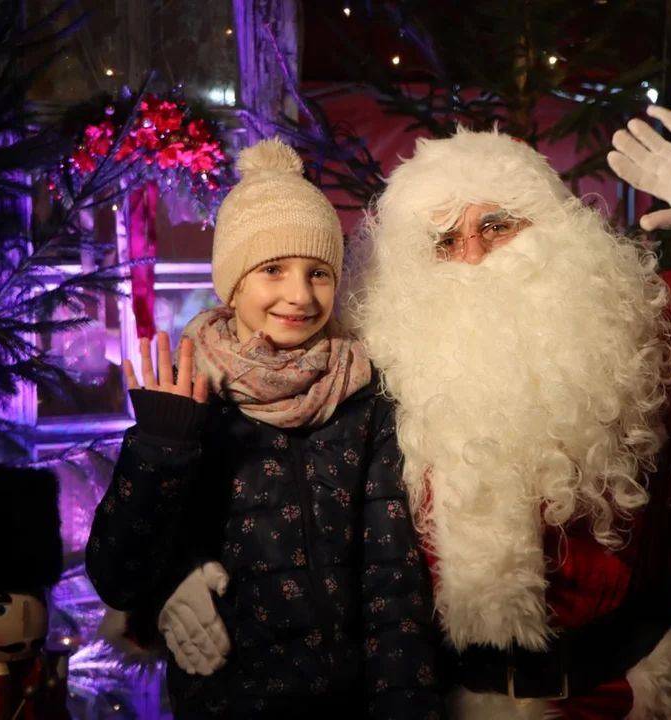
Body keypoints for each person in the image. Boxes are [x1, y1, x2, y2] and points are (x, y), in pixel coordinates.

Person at [335, 105, 671, 719]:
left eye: (496, 225)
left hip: (627, 699)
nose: (472, 257)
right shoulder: (382, 378)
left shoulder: (657, 356)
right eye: (443, 241)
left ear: (559, 233)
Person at [85, 138, 446, 719]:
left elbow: (393, 583)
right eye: (272, 269)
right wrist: (159, 447)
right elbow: (117, 576)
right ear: (232, 281)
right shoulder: (192, 394)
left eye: (319, 272)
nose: (300, 296)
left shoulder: (363, 395)